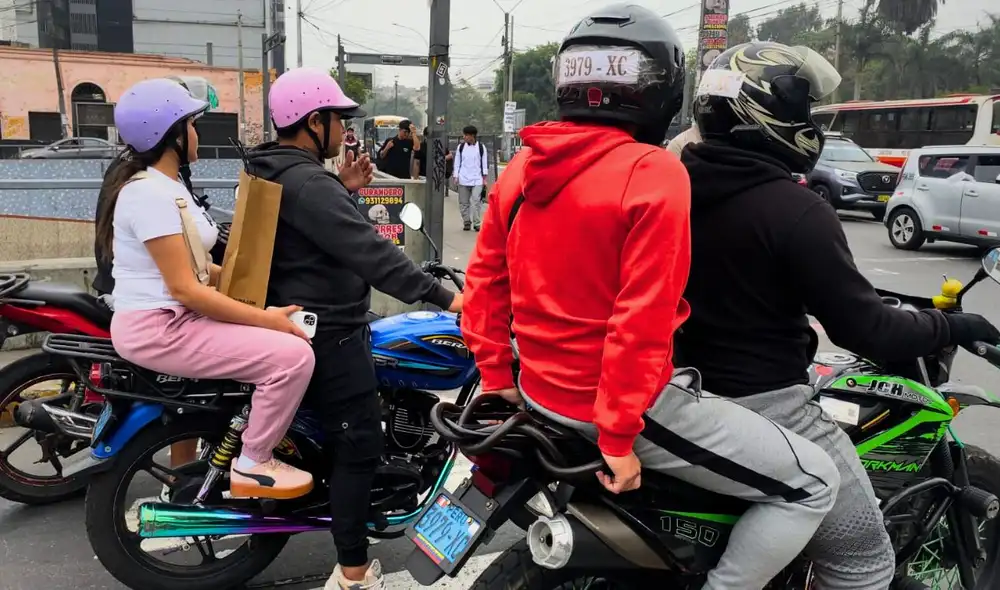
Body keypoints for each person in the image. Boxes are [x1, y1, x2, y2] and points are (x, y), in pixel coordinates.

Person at [460, 7, 841, 590]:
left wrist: (496, 376)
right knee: (815, 482)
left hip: (537, 393)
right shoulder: (653, 171)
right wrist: (617, 438)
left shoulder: (521, 168)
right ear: (662, 89)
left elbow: (484, 286)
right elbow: (642, 318)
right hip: (614, 410)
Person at [674, 41, 1000, 590]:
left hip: (681, 393)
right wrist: (954, 325)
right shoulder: (796, 210)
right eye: (804, 108)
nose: (811, 121)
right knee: (864, 563)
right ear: (770, 114)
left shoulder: (670, 187)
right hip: (767, 405)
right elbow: (865, 328)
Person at [244, 67, 463, 590]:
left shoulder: (274, 170)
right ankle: (354, 574)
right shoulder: (306, 181)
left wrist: (344, 189)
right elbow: (370, 252)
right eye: (339, 120)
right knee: (359, 446)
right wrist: (450, 297)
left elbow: (319, 232)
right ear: (313, 121)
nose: (345, 132)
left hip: (303, 319)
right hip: (329, 333)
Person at [97, 78, 316, 501]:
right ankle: (254, 460)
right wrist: (266, 317)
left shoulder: (167, 186)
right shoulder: (147, 195)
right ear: (172, 135)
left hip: (173, 320)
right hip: (161, 326)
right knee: (292, 358)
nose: (197, 134)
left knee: (285, 336)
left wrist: (260, 292)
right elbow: (187, 289)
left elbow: (201, 270)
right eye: (192, 125)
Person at [452, 125, 489, 231]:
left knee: (476, 201)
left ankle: (477, 223)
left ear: (472, 136)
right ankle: (466, 221)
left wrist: (484, 178)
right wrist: (456, 176)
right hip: (463, 178)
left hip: (477, 179)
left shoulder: (481, 147)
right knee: (463, 202)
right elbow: (457, 162)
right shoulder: (461, 147)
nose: (464, 137)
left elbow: (484, 163)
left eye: (466, 135)